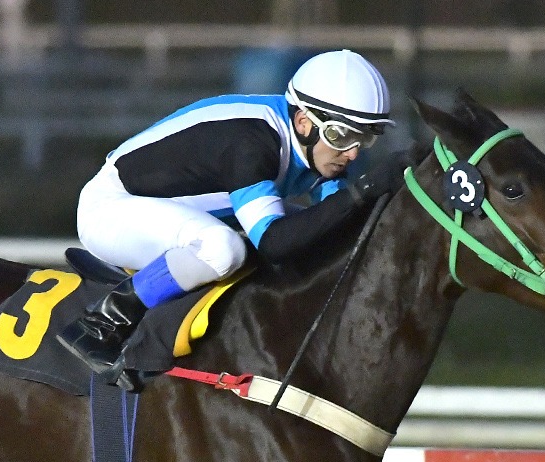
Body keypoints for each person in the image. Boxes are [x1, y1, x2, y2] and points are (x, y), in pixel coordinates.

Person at [58, 48, 404, 389]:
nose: (353, 153)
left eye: (364, 138)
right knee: (223, 249)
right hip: (111, 210)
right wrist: (365, 188)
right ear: (303, 122)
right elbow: (274, 243)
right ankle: (101, 323)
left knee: (314, 230)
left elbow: (340, 225)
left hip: (173, 213)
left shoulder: (309, 144)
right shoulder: (254, 142)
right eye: (341, 136)